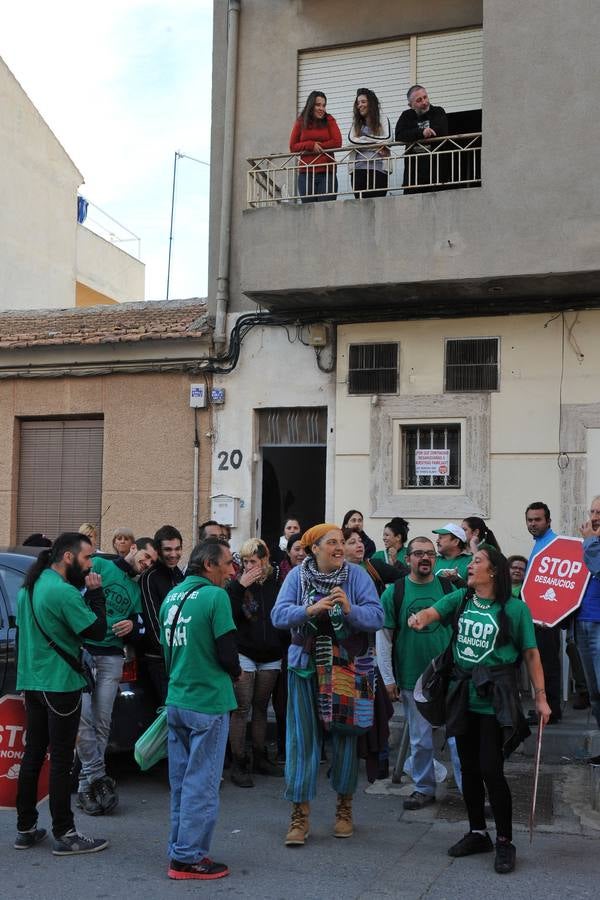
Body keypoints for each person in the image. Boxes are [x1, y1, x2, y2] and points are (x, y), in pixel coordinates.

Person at [408, 546, 551, 875]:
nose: (469, 566)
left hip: (494, 702)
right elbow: (433, 611)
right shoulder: (460, 599)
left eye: (477, 562)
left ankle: (504, 840)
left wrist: (541, 698)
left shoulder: (515, 610)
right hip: (461, 697)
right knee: (468, 770)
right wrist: (420, 618)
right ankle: (477, 832)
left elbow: (531, 655)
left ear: (493, 572)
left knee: (491, 769)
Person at [271, 524, 383, 846]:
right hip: (304, 667)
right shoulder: (296, 576)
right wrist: (310, 609)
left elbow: (377, 617)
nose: (339, 548)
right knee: (302, 741)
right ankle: (299, 816)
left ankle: (344, 810)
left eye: (341, 542)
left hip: (347, 669)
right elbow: (279, 616)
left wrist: (350, 609)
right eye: (331, 543)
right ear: (313, 549)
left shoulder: (357, 576)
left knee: (346, 739)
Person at [15, 533, 109, 855]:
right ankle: (65, 833)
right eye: (87, 558)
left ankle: (25, 828)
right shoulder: (63, 592)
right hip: (60, 684)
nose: (90, 565)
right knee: (60, 760)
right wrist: (96, 594)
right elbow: (95, 632)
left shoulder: (29, 587)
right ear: (68, 557)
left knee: (33, 755)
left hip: (32, 682)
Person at [160, 538, 241, 881]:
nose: (232, 570)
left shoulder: (172, 596)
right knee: (202, 783)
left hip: (177, 699)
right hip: (208, 702)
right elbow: (228, 655)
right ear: (209, 564)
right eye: (227, 563)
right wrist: (236, 674)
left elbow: (167, 652)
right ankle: (189, 858)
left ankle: (179, 848)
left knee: (181, 782)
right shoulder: (215, 596)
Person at [377, 537, 462, 809]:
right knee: (420, 739)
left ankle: (468, 791)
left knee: (459, 739)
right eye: (418, 554)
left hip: (450, 676)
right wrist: (388, 678)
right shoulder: (395, 592)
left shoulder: (450, 588)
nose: (424, 558)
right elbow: (384, 637)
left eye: (430, 554)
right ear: (407, 559)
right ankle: (424, 788)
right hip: (414, 677)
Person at [75, 542, 158, 816]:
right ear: (133, 548)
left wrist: (133, 626)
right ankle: (94, 782)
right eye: (145, 556)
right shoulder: (99, 565)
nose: (146, 564)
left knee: (102, 721)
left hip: (112, 656)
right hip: (84, 651)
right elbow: (73, 596)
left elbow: (142, 625)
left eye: (150, 563)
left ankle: (87, 788)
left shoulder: (136, 589)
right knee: (84, 721)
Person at [226, 539, 284, 787]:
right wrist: (240, 587)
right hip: (245, 652)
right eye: (245, 561)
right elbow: (229, 614)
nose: (250, 566)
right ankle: (239, 762)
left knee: (261, 706)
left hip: (271, 654)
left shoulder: (276, 582)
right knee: (241, 707)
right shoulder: (236, 584)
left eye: (254, 560)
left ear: (265, 559)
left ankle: (260, 757)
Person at [139, 524, 185, 707]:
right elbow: (153, 622)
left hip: (181, 657)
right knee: (168, 713)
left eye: (177, 549)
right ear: (158, 550)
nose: (173, 554)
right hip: (161, 660)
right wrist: (171, 654)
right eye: (168, 549)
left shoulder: (179, 574)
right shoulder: (149, 577)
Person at [525, 502, 562, 723]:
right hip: (534, 616)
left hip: (547, 617)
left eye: (537, 519)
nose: (533, 524)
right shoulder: (539, 543)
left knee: (548, 665)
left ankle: (552, 711)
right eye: (530, 520)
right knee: (539, 664)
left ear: (548, 521)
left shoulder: (553, 544)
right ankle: (546, 709)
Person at [289, 91, 342, 203]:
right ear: (311, 105)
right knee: (309, 212)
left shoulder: (329, 119)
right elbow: (293, 146)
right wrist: (310, 145)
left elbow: (337, 142)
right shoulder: (301, 121)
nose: (321, 108)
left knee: (327, 210)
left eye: (324, 105)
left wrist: (319, 146)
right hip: (306, 173)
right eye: (318, 105)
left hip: (327, 173)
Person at [395, 85, 448, 194]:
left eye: (425, 97)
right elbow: (399, 135)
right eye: (419, 100)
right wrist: (422, 133)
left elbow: (442, 130)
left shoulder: (438, 111)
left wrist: (415, 134)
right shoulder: (406, 116)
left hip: (436, 172)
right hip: (414, 174)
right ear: (411, 105)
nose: (424, 102)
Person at [577, 497, 600, 739]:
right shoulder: (587, 544)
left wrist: (590, 542)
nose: (594, 517)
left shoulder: (590, 544)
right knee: (594, 694)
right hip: (582, 623)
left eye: (599, 512)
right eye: (592, 510)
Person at [348, 88, 391, 199]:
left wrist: (363, 139)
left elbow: (388, 138)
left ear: (371, 103)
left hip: (379, 169)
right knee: (361, 209)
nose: (360, 105)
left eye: (363, 102)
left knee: (379, 207)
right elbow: (351, 140)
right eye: (358, 103)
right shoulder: (356, 123)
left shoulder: (383, 119)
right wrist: (377, 145)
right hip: (358, 170)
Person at [343, 528, 404, 594]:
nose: (359, 545)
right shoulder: (336, 570)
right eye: (352, 542)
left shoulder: (373, 565)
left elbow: (405, 577)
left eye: (360, 541)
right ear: (342, 547)